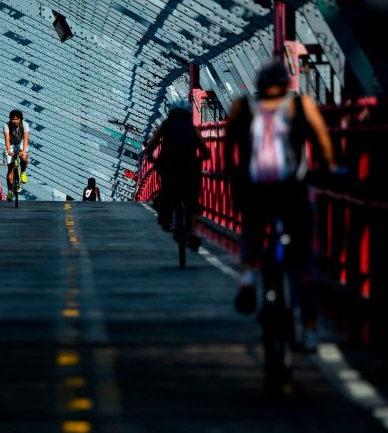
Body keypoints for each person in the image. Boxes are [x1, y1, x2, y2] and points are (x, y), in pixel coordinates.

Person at [223, 59, 336, 346]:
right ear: (286, 84)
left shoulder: (243, 106)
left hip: (256, 190)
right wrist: (329, 166)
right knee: (305, 258)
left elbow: (228, 146)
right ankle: (310, 330)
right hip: (292, 191)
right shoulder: (301, 105)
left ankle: (248, 276)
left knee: (252, 230)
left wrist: (233, 176)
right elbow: (322, 140)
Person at [143, 97, 209, 251]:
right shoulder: (192, 128)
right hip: (189, 168)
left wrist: (154, 160)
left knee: (166, 193)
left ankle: (166, 220)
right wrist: (199, 159)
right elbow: (205, 151)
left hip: (169, 167)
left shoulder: (166, 125)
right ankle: (192, 233)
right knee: (192, 201)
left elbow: (150, 148)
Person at [3, 109, 29, 199]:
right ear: (10, 119)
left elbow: (25, 139)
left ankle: (23, 173)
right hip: (10, 145)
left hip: (21, 143)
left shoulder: (25, 125)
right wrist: (9, 150)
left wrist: (23, 151)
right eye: (13, 119)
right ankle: (10, 191)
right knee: (10, 168)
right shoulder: (6, 125)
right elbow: (6, 139)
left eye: (17, 119)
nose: (15, 121)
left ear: (20, 119)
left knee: (24, 157)